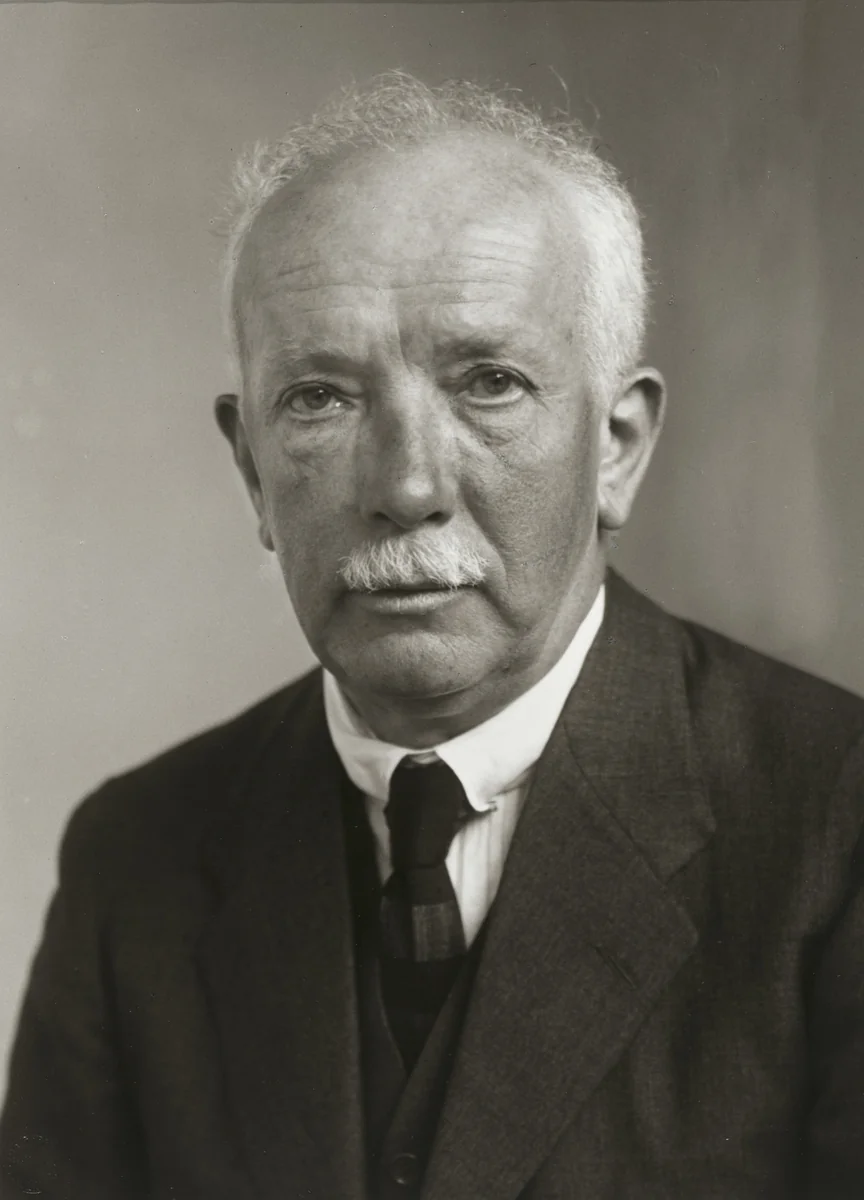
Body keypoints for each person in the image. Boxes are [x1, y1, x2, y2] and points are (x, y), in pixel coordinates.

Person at [2, 72, 864, 1200]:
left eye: (489, 383)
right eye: (320, 398)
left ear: (617, 447)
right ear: (250, 470)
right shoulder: (139, 858)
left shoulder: (835, 823)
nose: (406, 486)